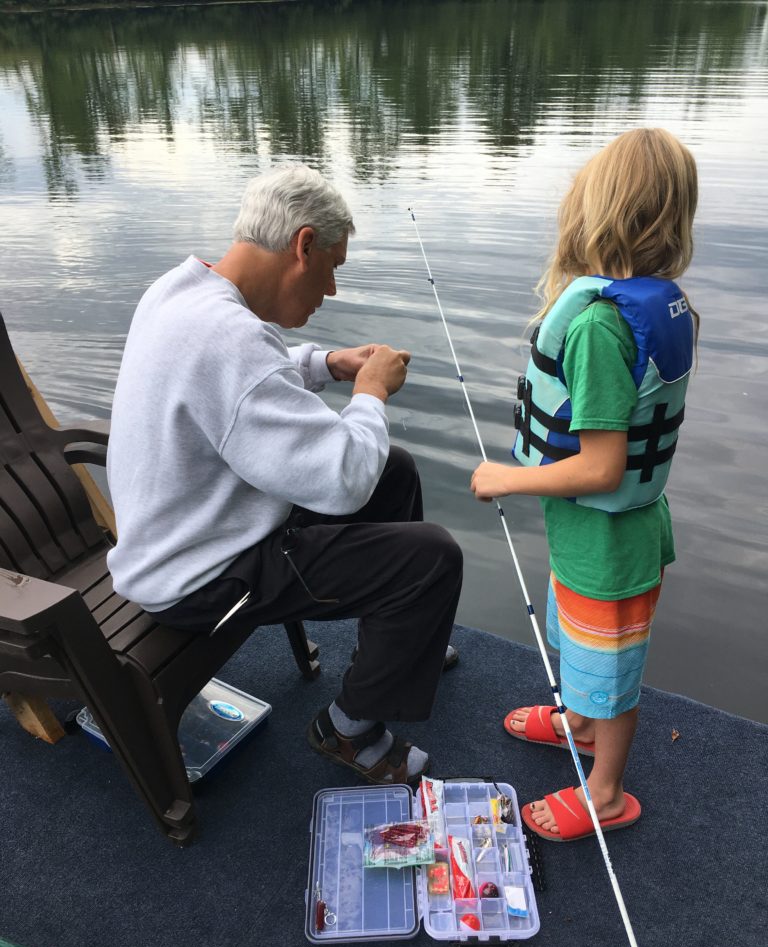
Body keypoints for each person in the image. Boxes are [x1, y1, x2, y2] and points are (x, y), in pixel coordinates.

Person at [107, 164, 463, 786]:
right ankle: (348, 729)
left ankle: (394, 649)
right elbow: (344, 476)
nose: (331, 290)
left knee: (396, 471)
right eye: (333, 267)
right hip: (200, 577)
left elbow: (250, 378)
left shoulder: (181, 291)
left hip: (188, 532)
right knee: (431, 558)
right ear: (303, 245)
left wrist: (328, 363)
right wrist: (372, 393)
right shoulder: (226, 338)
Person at [470, 128, 698, 841]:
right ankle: (579, 718)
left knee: (612, 665)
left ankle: (605, 788)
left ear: (595, 213)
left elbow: (600, 467)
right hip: (597, 536)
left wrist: (509, 477)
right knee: (582, 643)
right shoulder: (656, 305)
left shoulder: (600, 328)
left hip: (610, 542)